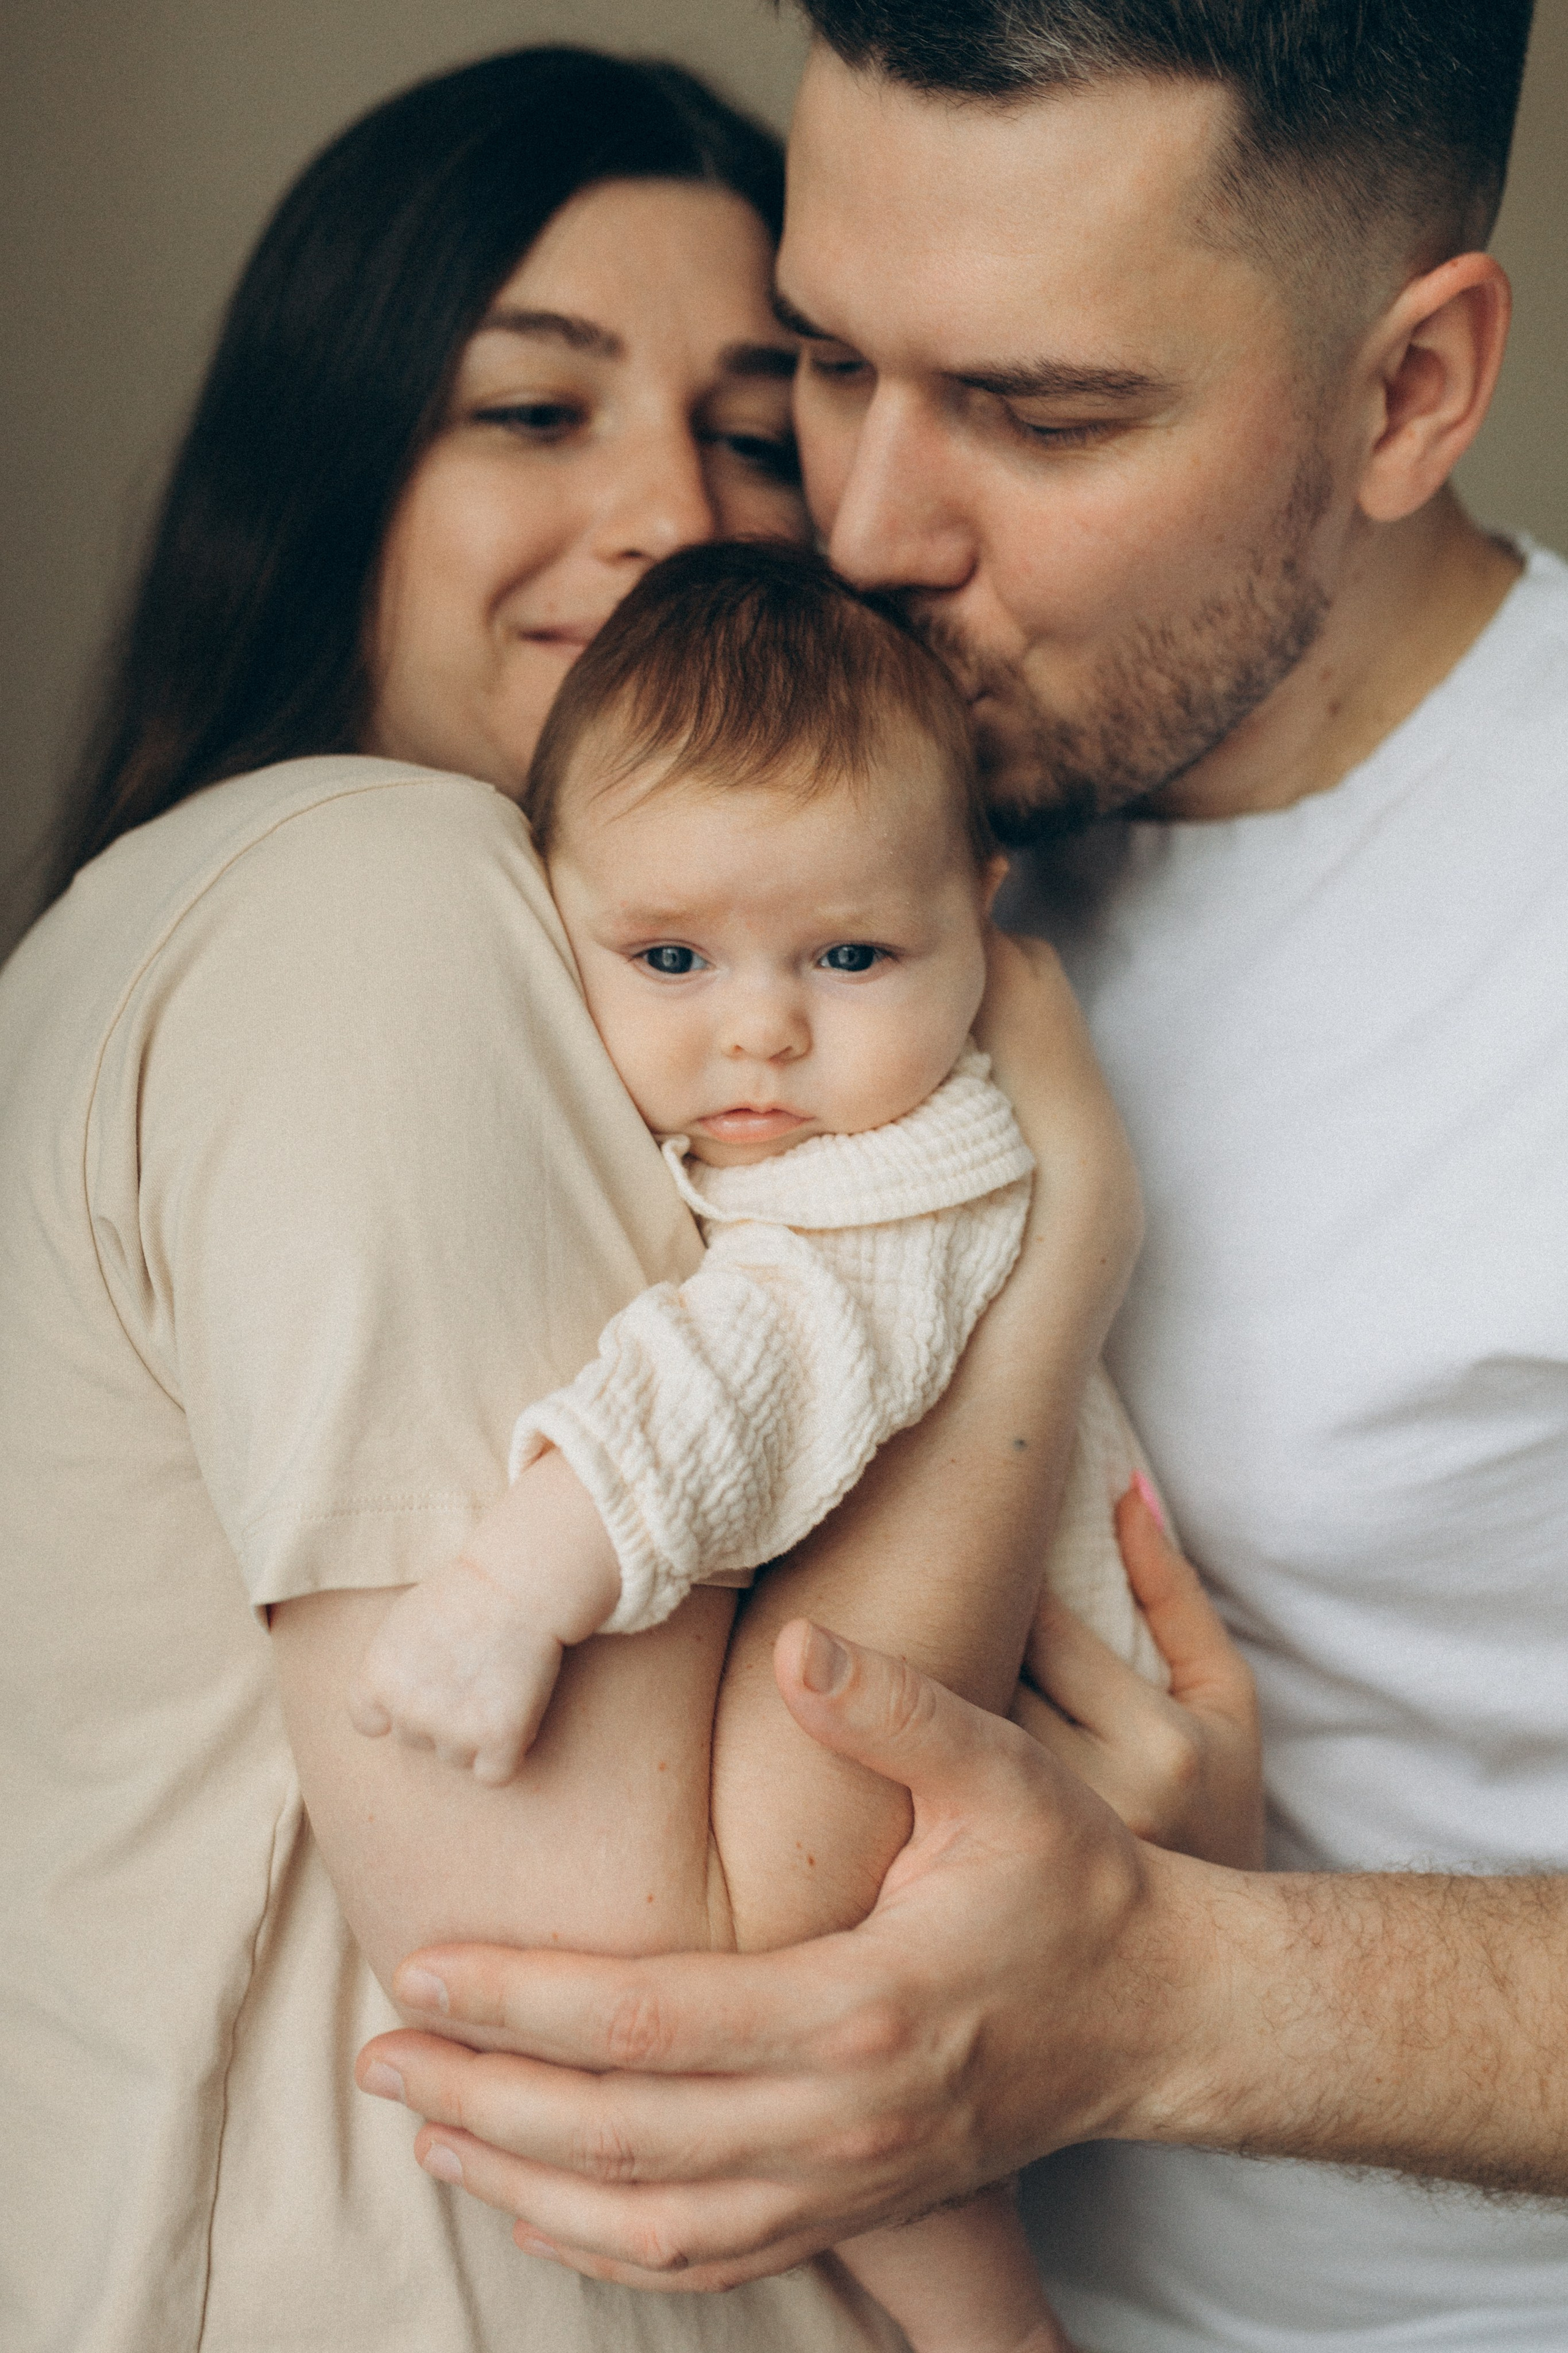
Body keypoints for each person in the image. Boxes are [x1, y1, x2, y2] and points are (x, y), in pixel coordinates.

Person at [2, 36, 1243, 2353]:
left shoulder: (651, 1049)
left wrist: (1145, 1907)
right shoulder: (369, 898)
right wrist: (1053, 1236)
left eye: (760, 427)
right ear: (336, 469)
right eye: (532, 408)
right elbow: (700, 1975)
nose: (675, 506)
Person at [352, 5, 1568, 2349]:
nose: (867, 528)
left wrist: (1195, 1988)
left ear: (1410, 388)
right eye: (825, 360)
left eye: (1042, 411)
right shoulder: (774, 809)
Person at [350, 535, 1175, 2353]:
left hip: (1024, 1766)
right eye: (667, 953)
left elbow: (764, 1370)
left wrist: (520, 1580)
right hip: (972, 1758)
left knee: (887, 2138)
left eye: (853, 951)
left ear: (982, 909)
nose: (762, 1027)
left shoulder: (916, 1175)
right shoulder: (812, 1100)